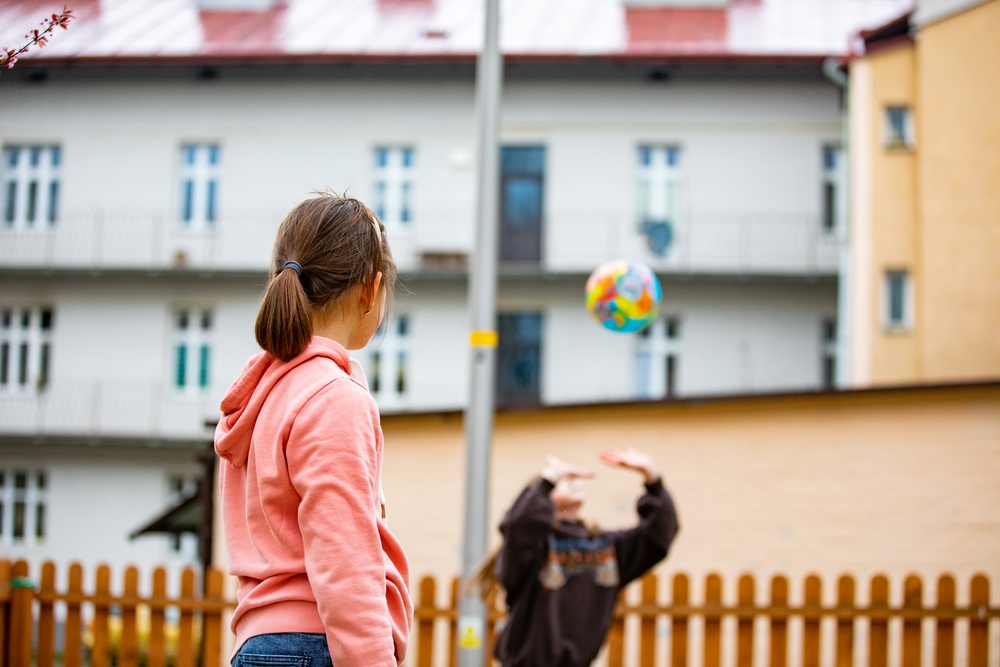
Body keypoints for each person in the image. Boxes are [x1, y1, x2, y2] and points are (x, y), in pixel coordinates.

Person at [214, 192, 412, 667]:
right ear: (371, 289)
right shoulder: (333, 399)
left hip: (261, 644)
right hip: (315, 645)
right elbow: (346, 562)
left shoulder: (262, 394)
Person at [477, 446, 679, 667]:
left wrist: (652, 478)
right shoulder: (529, 548)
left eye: (573, 479)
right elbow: (518, 524)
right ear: (542, 499)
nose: (572, 482)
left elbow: (658, 536)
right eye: (564, 481)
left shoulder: (606, 547)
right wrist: (547, 479)